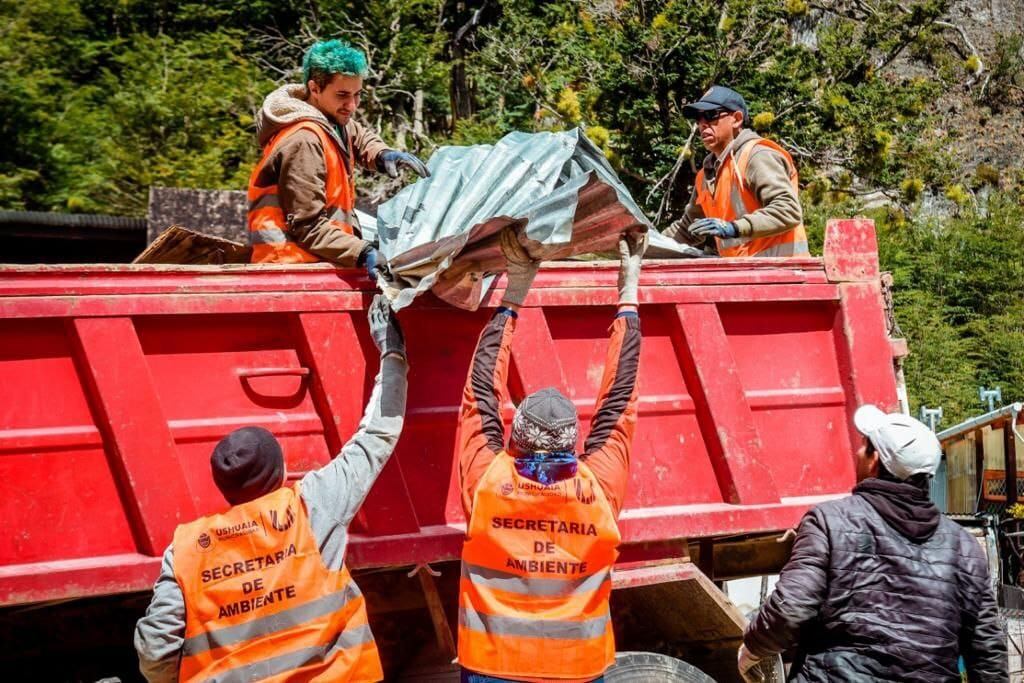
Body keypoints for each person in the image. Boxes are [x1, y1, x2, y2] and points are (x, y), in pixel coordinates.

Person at [134, 295, 408, 683]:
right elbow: (378, 434)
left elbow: (155, 650)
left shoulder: (186, 551)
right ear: (280, 473)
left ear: (222, 485)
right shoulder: (311, 508)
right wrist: (392, 352)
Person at [455, 228, 645, 683]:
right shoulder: (597, 489)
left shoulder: (488, 483)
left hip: (491, 667)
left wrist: (515, 290)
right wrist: (629, 289)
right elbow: (620, 397)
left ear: (513, 436)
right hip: (577, 670)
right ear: (572, 442)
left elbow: (480, 389)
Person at [738, 405, 1009, 683]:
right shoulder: (963, 547)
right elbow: (987, 650)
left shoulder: (830, 521)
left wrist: (751, 650)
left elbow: (791, 609)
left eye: (863, 446)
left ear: (874, 460)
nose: (857, 453)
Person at [248, 39, 429, 275]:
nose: (352, 105)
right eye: (343, 95)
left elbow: (359, 135)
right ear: (314, 88)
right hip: (291, 268)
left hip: (317, 263)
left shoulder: (332, 121)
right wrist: (363, 252)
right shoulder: (304, 140)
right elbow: (308, 227)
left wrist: (383, 154)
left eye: (358, 94)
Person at [663, 85, 808, 258]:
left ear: (737, 119)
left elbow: (788, 210)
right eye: (698, 119)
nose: (702, 124)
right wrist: (645, 242)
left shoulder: (756, 156)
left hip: (782, 274)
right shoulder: (705, 175)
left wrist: (733, 228)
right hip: (743, 276)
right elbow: (687, 230)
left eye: (710, 115)